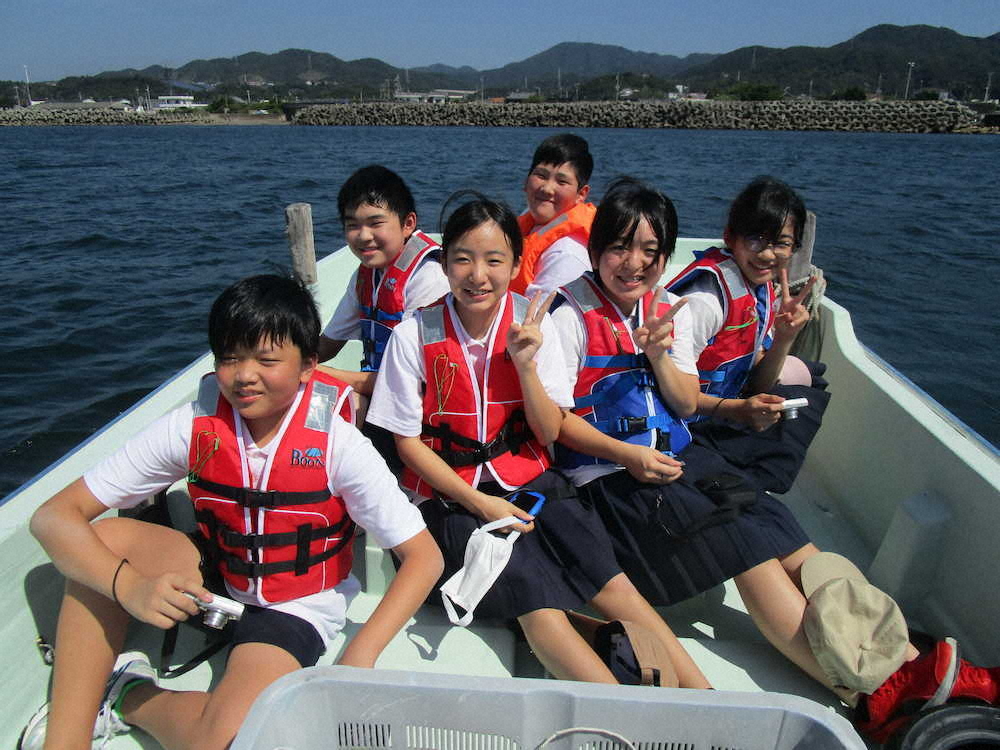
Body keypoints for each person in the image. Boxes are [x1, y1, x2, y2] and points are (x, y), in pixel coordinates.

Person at [548, 176, 934, 706]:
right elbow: (553, 422)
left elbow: (683, 402)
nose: (634, 263)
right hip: (612, 477)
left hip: (676, 452)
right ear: (595, 249)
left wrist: (660, 354)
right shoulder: (567, 316)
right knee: (746, 547)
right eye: (619, 247)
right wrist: (628, 454)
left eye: (650, 250)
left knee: (779, 528)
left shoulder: (662, 307)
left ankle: (906, 659)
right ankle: (877, 694)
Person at [20, 275, 443, 750]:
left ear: (308, 365)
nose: (244, 375)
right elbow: (53, 517)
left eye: (266, 360)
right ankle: (66, 739)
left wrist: (359, 657)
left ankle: (128, 696)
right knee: (100, 540)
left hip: (292, 605)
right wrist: (129, 586)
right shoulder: (194, 425)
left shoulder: (339, 445)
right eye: (229, 357)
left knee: (227, 741)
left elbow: (423, 557)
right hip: (216, 573)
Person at [367, 192, 710, 688]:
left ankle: (705, 695)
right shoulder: (413, 335)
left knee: (613, 584)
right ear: (444, 264)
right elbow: (408, 445)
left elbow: (548, 432)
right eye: (462, 259)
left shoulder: (534, 324)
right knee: (538, 603)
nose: (477, 275)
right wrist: (481, 504)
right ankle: (619, 707)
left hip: (533, 481)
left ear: (514, 265)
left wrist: (526, 366)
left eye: (494, 260)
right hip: (453, 498)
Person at [666, 176, 829, 494]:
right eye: (756, 238)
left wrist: (784, 338)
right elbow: (670, 395)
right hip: (687, 419)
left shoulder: (760, 287)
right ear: (730, 236)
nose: (767, 254)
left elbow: (757, 384)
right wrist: (740, 411)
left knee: (811, 384)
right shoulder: (705, 302)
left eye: (781, 243)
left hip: (724, 402)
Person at [317, 164, 449, 393]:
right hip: (379, 389)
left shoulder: (430, 277)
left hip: (417, 400)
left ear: (408, 224)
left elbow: (412, 380)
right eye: (352, 225)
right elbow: (328, 343)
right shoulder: (366, 275)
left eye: (376, 223)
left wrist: (312, 372)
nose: (363, 236)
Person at [513, 133, 597, 298]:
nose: (547, 189)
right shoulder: (532, 216)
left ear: (581, 194)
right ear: (526, 181)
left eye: (562, 182)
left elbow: (542, 312)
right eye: (541, 176)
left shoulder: (566, 254)